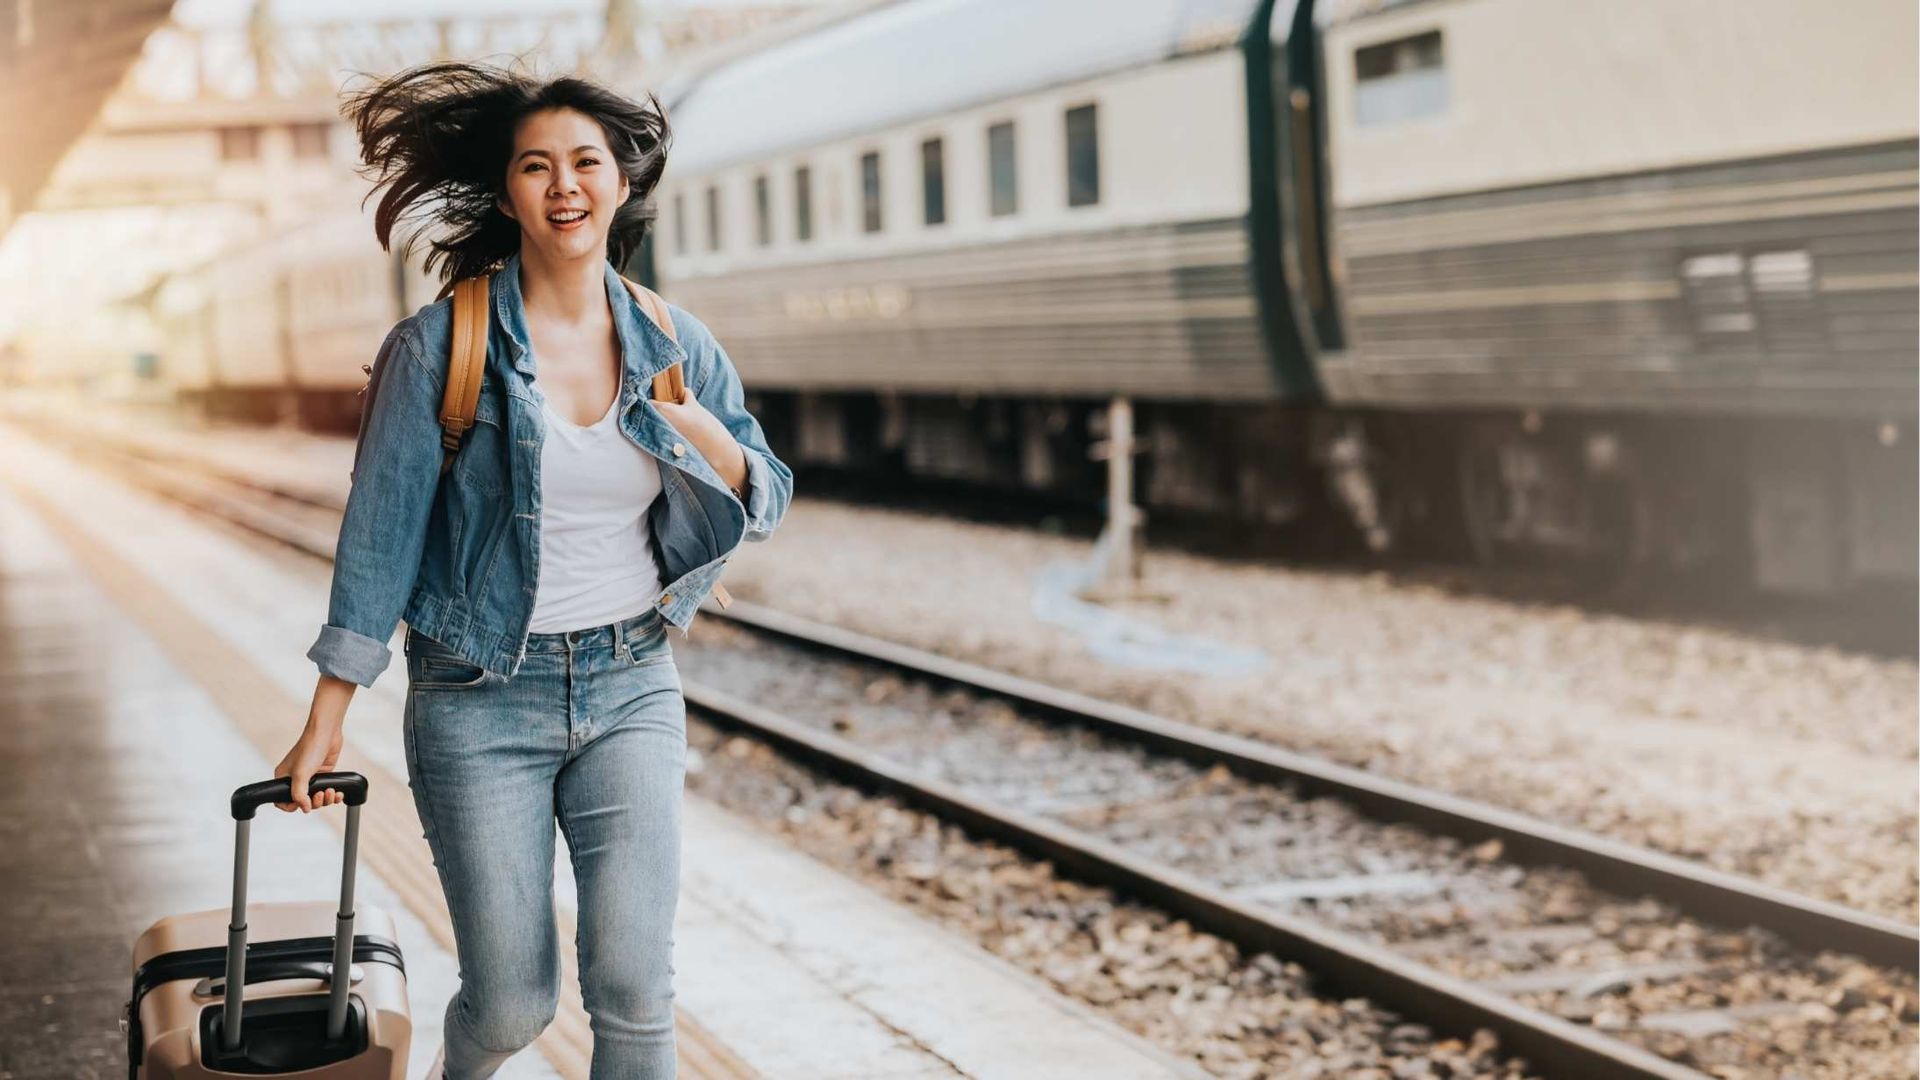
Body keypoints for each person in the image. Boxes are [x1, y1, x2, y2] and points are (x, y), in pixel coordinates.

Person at [270, 61, 793, 1079]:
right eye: (537, 166)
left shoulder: (675, 342)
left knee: (637, 995)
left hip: (631, 684)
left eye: (586, 162)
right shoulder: (438, 350)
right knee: (512, 1005)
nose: (566, 185)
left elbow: (763, 492)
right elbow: (377, 542)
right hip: (476, 700)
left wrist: (706, 436)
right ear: (508, 191)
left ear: (623, 183)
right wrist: (326, 719)